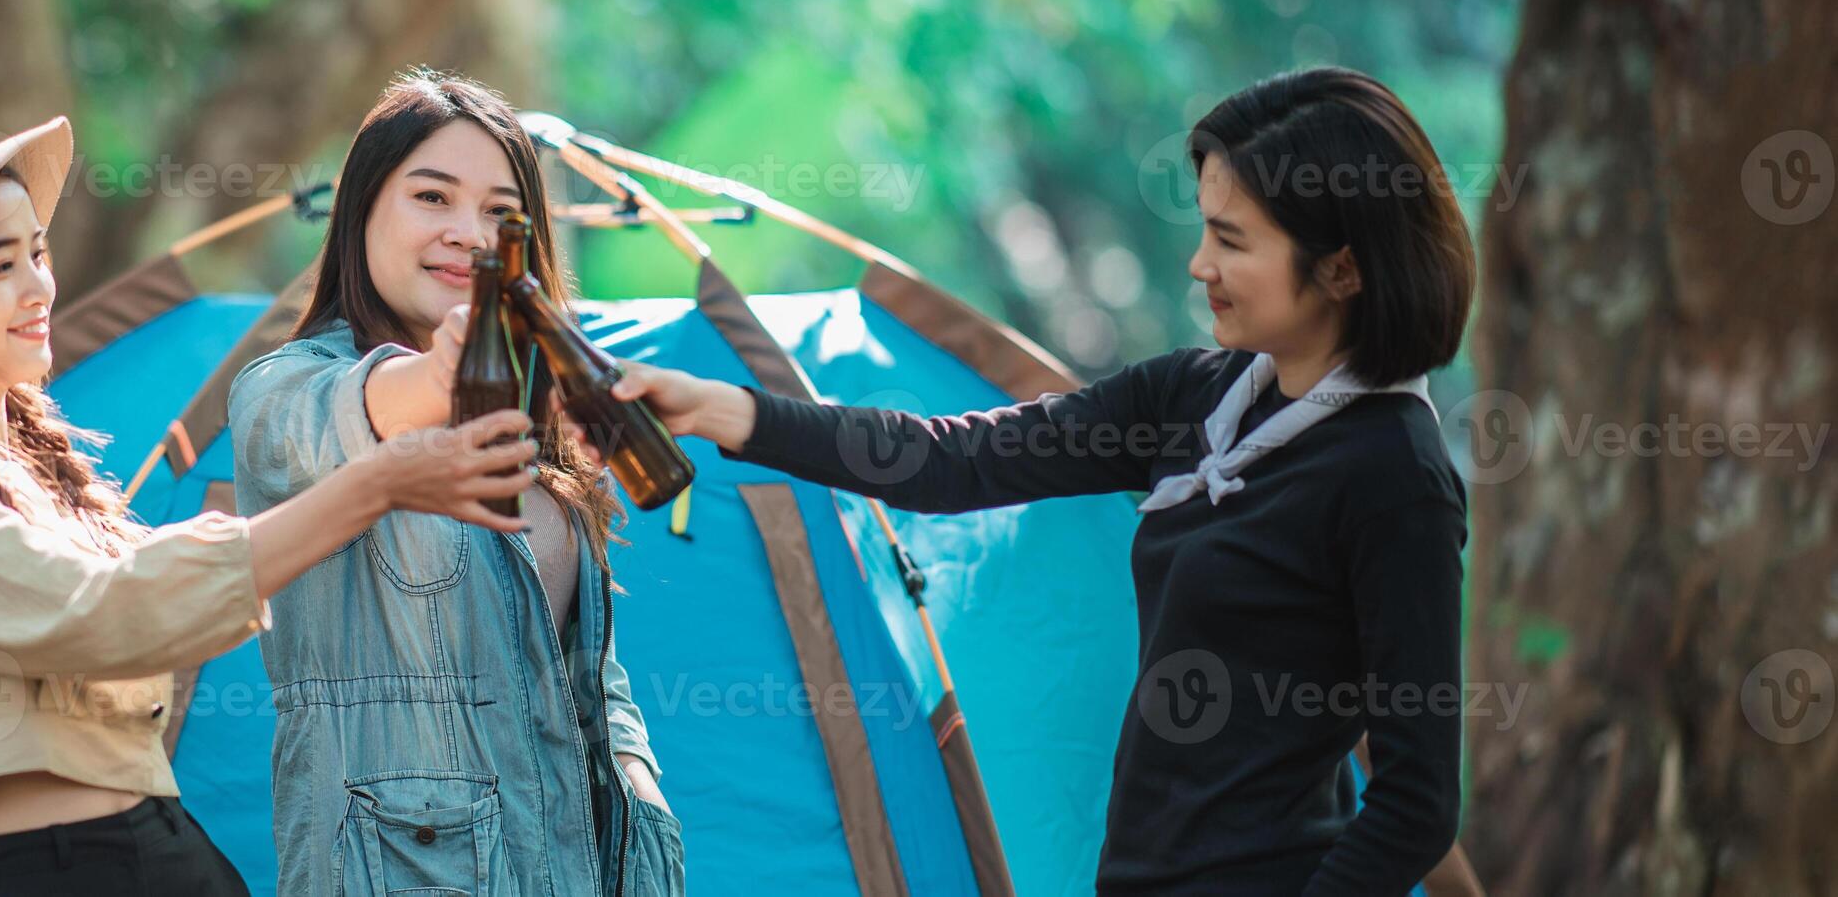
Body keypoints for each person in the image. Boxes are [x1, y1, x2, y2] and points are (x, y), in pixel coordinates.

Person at [599, 67, 1475, 896]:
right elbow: (951, 458)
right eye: (1204, 229)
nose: (1197, 264)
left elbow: (1416, 801)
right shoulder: (1192, 396)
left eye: (1231, 240)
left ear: (1344, 268)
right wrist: (728, 410)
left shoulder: (1391, 474)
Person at [0, 112, 537, 895]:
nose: (39, 286)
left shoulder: (40, 471)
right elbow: (100, 614)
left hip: (164, 850)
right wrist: (376, 482)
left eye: (37, 252)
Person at [227, 71, 685, 896]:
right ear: (362, 210)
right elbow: (365, 407)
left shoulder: (539, 416)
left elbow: (583, 663)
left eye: (500, 215)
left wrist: (633, 770)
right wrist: (450, 367)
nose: (468, 233)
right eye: (432, 197)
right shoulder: (281, 392)